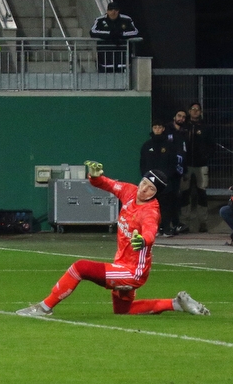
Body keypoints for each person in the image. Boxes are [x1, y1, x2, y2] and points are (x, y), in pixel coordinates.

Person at [17, 161, 210, 317]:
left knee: (80, 268)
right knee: (123, 310)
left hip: (132, 272)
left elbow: (150, 232)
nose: (143, 189)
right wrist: (94, 176)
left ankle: (43, 307)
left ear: (155, 193)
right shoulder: (130, 191)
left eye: (150, 188)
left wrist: (143, 240)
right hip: (121, 264)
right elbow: (106, 183)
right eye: (144, 183)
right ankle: (176, 304)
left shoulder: (150, 211)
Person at [139, 121, 180, 236]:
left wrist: (165, 178)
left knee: (166, 206)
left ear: (163, 129)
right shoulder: (146, 146)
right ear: (152, 129)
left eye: (159, 127)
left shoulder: (169, 145)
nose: (157, 129)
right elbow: (143, 164)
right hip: (150, 184)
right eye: (155, 127)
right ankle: (153, 229)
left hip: (165, 183)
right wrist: (147, 179)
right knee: (151, 207)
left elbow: (173, 163)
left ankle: (166, 228)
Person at [179, 102, 212, 232]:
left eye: (197, 109)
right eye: (193, 109)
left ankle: (203, 223)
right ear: (189, 111)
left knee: (202, 193)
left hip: (201, 166)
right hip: (186, 165)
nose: (195, 111)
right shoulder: (184, 127)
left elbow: (211, 145)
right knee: (185, 193)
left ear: (200, 112)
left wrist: (205, 157)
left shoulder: (205, 127)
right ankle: (184, 223)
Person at [89, 2, 139, 73]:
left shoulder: (126, 19)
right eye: (111, 9)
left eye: (115, 10)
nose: (113, 12)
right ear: (107, 11)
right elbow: (92, 32)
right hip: (105, 59)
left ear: (118, 11)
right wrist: (109, 34)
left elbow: (135, 32)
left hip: (122, 59)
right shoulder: (100, 20)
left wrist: (121, 34)